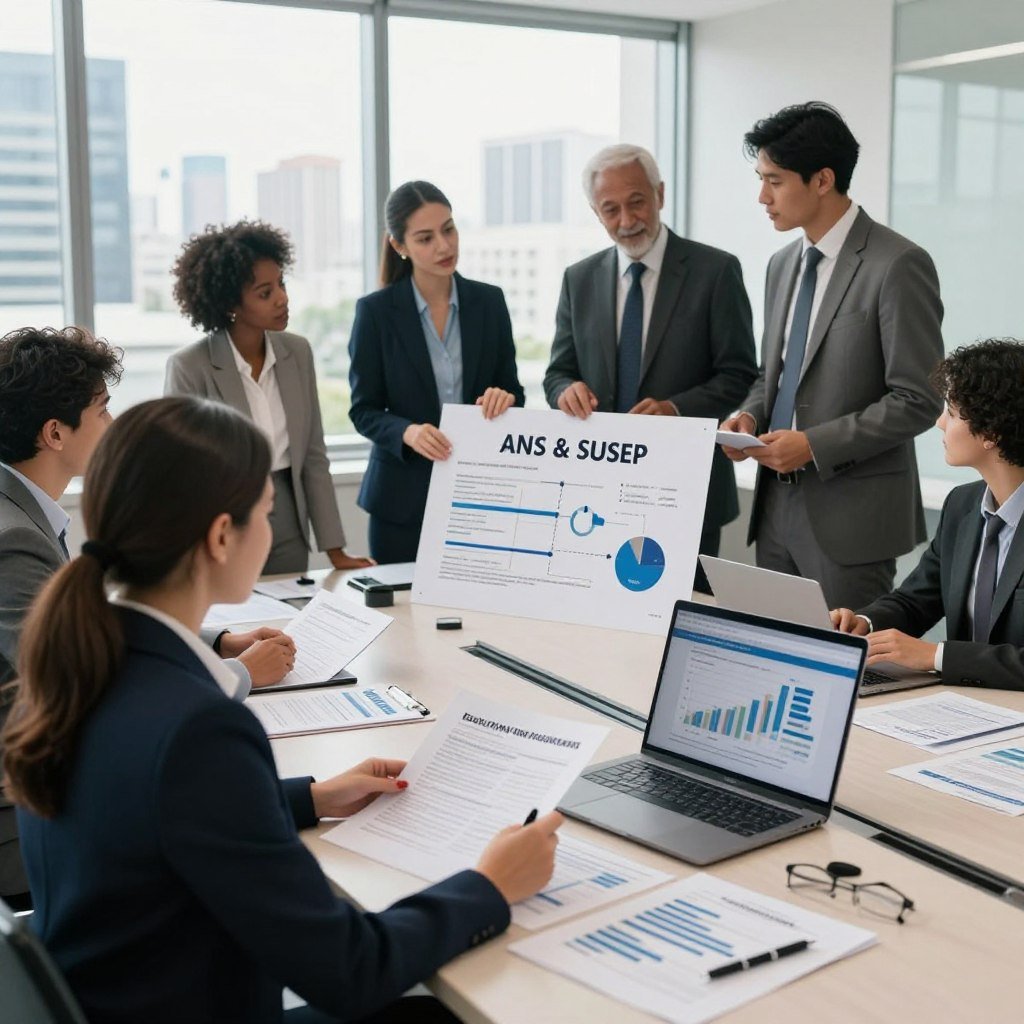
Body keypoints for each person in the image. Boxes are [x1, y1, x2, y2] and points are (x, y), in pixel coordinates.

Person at [1, 395, 563, 1023]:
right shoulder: (198, 726)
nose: (268, 533)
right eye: (265, 513)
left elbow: (159, 813)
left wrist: (310, 798)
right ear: (221, 536)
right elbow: (351, 970)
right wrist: (491, 885)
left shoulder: (77, 663)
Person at [0, 327, 294, 908]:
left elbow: (87, 615)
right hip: (29, 811)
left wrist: (219, 639)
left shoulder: (22, 511)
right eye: (102, 409)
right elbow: (89, 671)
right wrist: (235, 675)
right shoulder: (12, 538)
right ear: (55, 433)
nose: (112, 424)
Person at [720, 102, 944, 609]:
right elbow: (773, 376)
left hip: (852, 519)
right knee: (772, 661)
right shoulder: (782, 265)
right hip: (773, 504)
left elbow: (920, 398)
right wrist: (750, 417)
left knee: (852, 680)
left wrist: (814, 445)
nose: (762, 197)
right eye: (761, 179)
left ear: (822, 180)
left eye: (774, 181)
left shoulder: (898, 264)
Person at [542, 144, 758, 586]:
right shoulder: (577, 279)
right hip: (600, 491)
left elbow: (739, 374)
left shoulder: (715, 271)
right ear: (595, 212)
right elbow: (557, 372)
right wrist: (565, 390)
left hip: (688, 487)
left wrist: (675, 409)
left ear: (660, 194)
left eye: (637, 201)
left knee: (684, 620)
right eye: (610, 209)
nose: (626, 220)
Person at [166, 220, 372, 575]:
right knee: (234, 626)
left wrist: (336, 551)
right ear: (231, 304)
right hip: (224, 525)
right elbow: (183, 473)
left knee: (287, 623)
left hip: (288, 517)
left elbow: (312, 456)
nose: (282, 298)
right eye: (265, 292)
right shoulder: (190, 367)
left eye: (281, 284)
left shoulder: (298, 352)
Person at [348, 181, 525, 564]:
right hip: (400, 502)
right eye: (426, 238)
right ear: (399, 246)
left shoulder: (489, 303)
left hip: (479, 496)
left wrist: (505, 398)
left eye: (448, 229)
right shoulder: (375, 313)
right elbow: (363, 410)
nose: (444, 246)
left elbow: (514, 391)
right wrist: (407, 432)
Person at [832, 339, 1024, 692]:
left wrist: (935, 657)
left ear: (992, 432)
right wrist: (863, 623)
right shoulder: (962, 505)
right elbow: (916, 600)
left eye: (951, 412)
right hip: (962, 702)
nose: (939, 423)